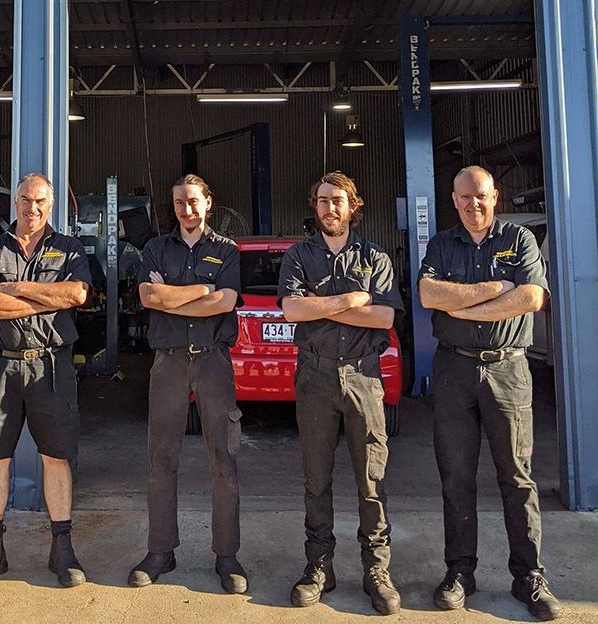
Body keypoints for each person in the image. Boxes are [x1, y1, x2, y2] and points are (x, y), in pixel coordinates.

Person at [419, 166, 561, 620]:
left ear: (494, 196)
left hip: (509, 371)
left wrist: (463, 303)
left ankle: (529, 576)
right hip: (454, 370)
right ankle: (460, 572)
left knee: (517, 478)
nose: (472, 204)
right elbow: (426, 294)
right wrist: (495, 291)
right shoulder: (442, 244)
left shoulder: (519, 239)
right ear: (454, 199)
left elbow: (532, 298)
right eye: (463, 198)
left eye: (480, 196)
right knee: (456, 478)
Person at [0, 173, 92, 591]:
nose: (32, 209)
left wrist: (18, 289)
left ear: (52, 206)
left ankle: (62, 548)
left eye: (41, 202)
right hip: (1, 367)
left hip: (51, 366)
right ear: (14, 202)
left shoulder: (69, 248)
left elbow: (77, 296)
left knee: (56, 457)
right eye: (25, 200)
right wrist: (44, 296)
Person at [278, 171, 404, 615]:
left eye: (338, 201)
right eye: (322, 201)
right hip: (314, 378)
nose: (330, 208)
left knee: (371, 480)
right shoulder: (298, 256)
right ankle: (319, 566)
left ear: (354, 206)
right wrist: (352, 301)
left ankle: (376, 570)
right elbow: (293, 309)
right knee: (316, 479)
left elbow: (386, 319)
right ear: (314, 206)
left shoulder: (375, 257)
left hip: (363, 379)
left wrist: (323, 305)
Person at [127, 174, 248, 594]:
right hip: (169, 364)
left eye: (194, 202)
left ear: (208, 203)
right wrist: (201, 292)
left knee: (223, 461)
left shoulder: (227, 250)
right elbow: (148, 298)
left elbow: (226, 302)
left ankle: (227, 556)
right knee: (161, 461)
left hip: (214, 363)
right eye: (180, 203)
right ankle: (161, 550)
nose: (187, 209)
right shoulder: (155, 249)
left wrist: (173, 296)